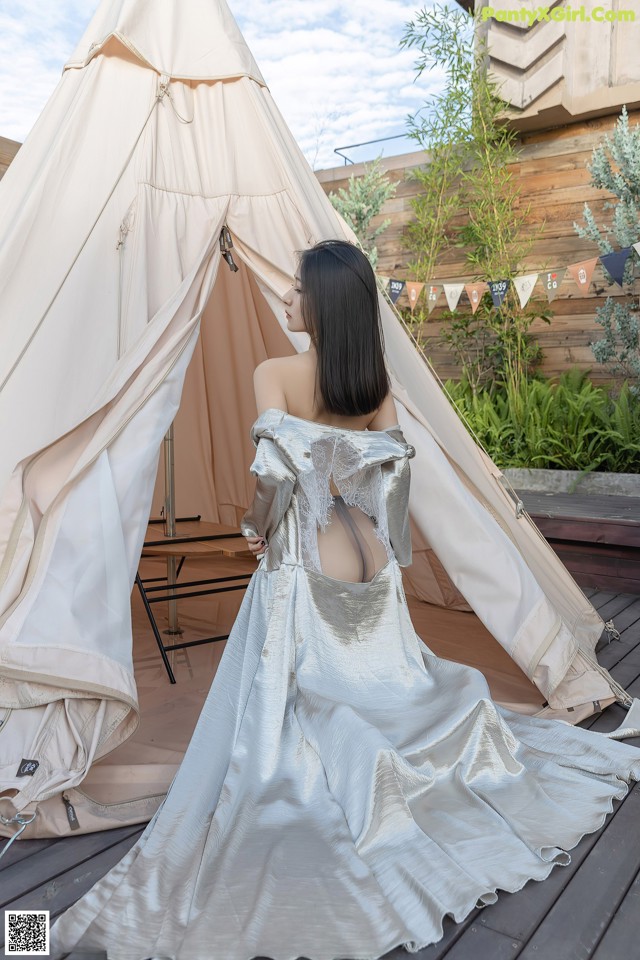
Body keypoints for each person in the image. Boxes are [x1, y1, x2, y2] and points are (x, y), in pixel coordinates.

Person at [50, 240, 640, 960]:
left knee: (299, 697)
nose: (289, 302)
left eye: (297, 291)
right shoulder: (373, 383)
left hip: (310, 544)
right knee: (380, 679)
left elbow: (273, 474)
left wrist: (256, 530)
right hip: (368, 547)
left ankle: (27, 934)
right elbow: (392, 481)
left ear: (322, 303)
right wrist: (385, 546)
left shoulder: (275, 371)